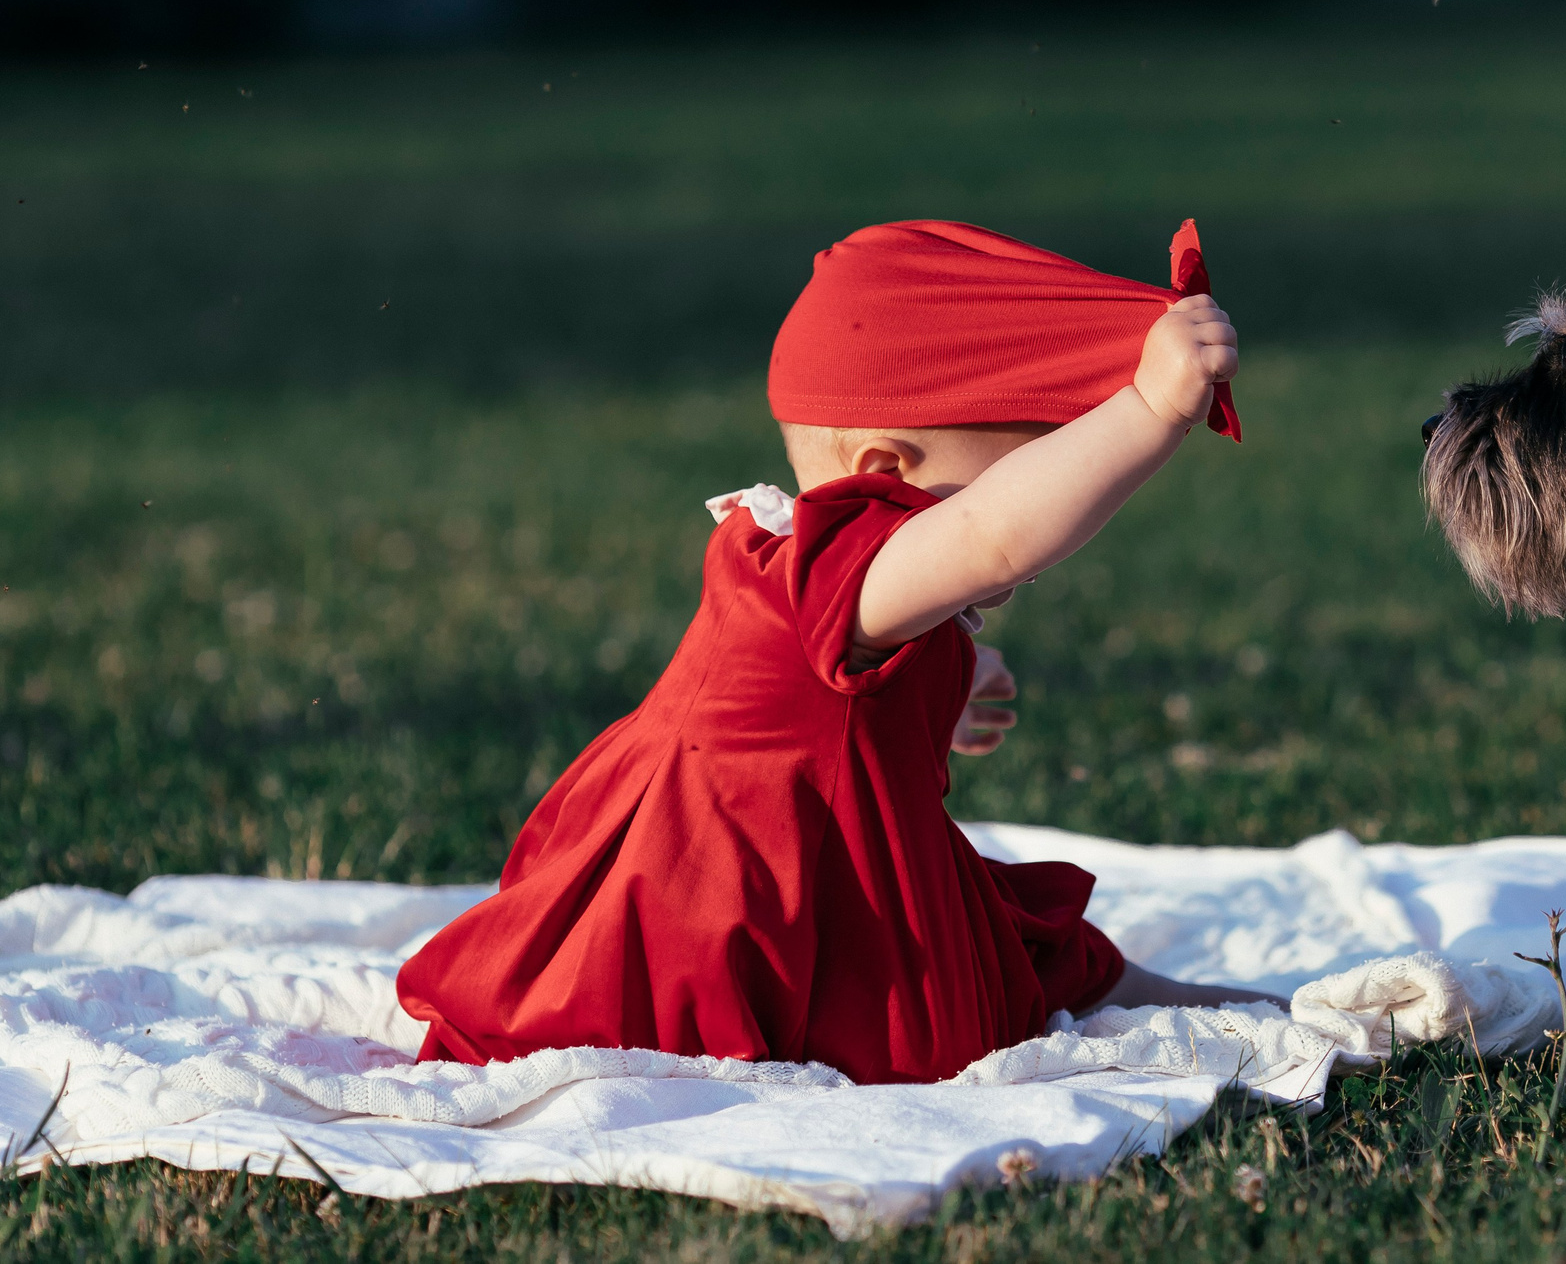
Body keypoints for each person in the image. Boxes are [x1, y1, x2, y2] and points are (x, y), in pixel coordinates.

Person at [397, 220, 1275, 1084]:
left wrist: (949, 687)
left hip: (818, 857)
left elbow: (837, 689)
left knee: (1030, 941)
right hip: (736, 911)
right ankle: (1216, 1015)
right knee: (969, 981)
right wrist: (1149, 409)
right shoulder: (838, 555)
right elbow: (991, 535)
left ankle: (1219, 1009)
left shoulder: (828, 579)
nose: (1050, 488)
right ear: (883, 468)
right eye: (1033, 461)